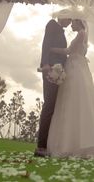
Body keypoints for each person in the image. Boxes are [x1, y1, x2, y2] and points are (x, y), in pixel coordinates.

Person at [47, 16, 94, 158]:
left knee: (72, 99)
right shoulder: (83, 35)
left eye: (73, 22)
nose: (71, 25)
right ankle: (76, 141)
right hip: (79, 67)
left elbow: (68, 51)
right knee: (77, 100)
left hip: (75, 67)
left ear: (79, 22)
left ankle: (71, 143)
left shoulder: (81, 34)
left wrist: (51, 49)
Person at [34, 16, 71, 157]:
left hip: (58, 71)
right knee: (49, 105)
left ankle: (49, 145)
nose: (69, 22)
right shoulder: (52, 24)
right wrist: (44, 64)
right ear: (63, 16)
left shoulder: (61, 31)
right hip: (50, 70)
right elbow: (46, 44)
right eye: (69, 19)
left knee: (53, 106)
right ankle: (41, 147)